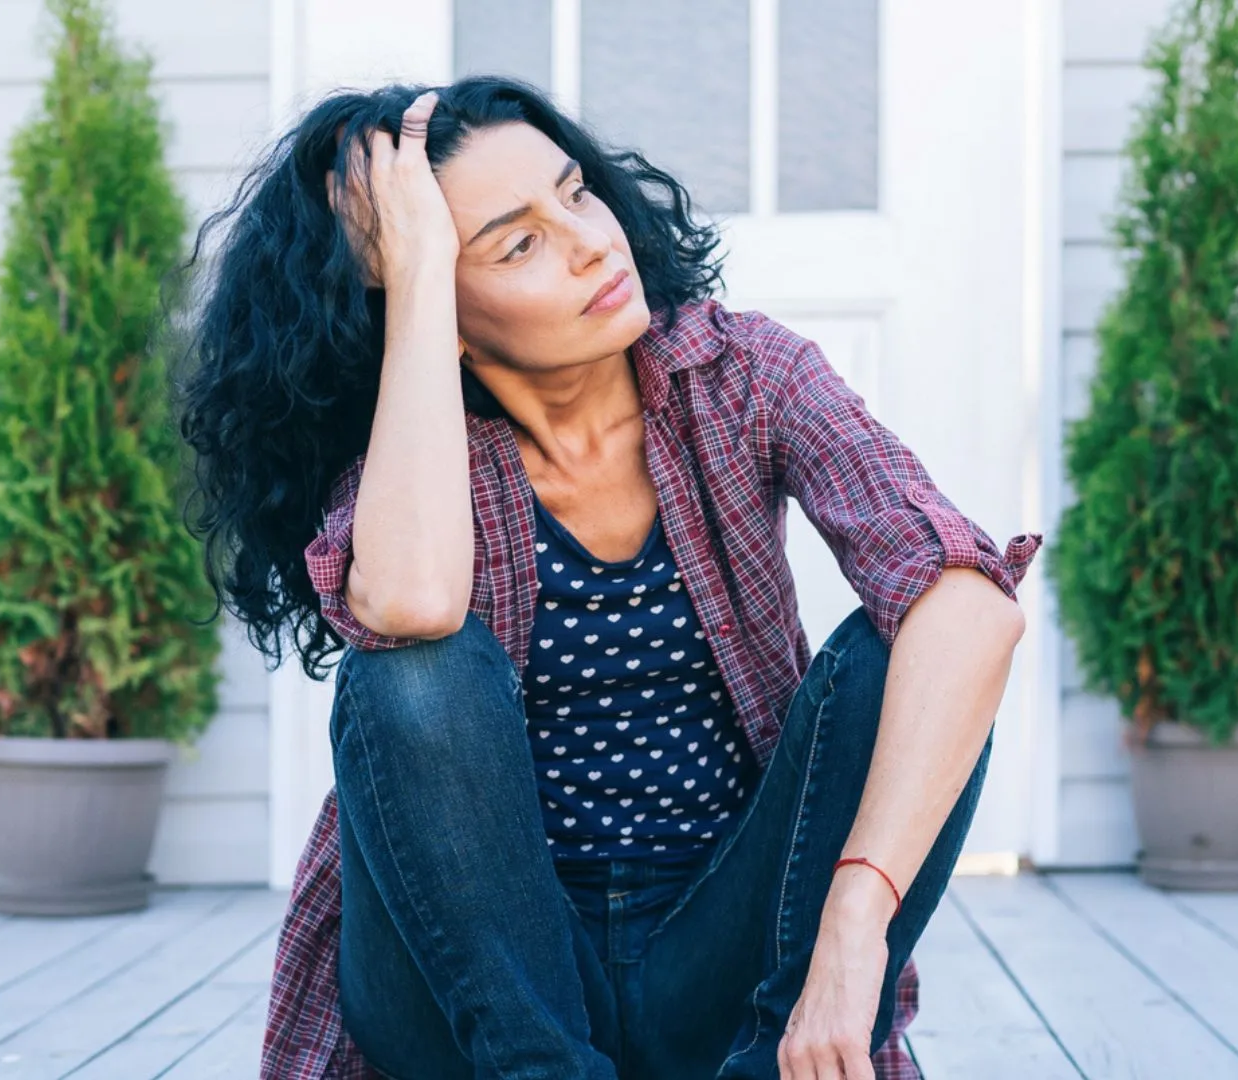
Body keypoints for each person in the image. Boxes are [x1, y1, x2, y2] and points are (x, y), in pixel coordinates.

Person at [172, 74, 1041, 1080]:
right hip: (479, 991)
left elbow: (972, 603)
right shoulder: (410, 465)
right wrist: (416, 280)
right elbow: (410, 607)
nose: (591, 241)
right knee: (409, 668)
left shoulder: (741, 376)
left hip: (720, 953)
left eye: (575, 193)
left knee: (923, 632)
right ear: (436, 305)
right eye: (519, 242)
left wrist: (858, 924)